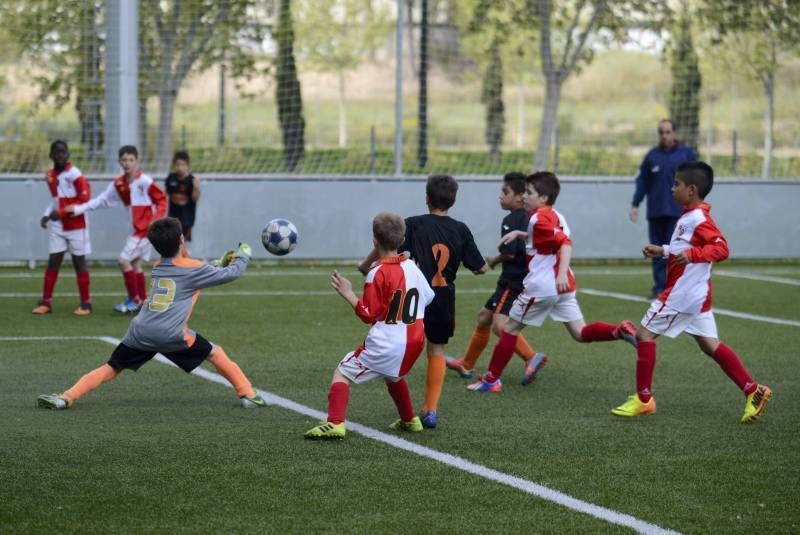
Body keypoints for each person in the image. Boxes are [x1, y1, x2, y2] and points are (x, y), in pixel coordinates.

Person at [36, 217, 266, 410]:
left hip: (140, 331)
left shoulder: (158, 266)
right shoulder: (192, 267)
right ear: (182, 240)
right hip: (171, 335)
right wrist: (243, 255)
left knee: (111, 368)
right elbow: (228, 274)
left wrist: (218, 264)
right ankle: (248, 394)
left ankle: (66, 397)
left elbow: (191, 274)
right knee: (215, 353)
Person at [612, 161, 772, 423]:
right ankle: (754, 391)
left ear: (692, 190)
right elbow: (685, 247)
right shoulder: (688, 216)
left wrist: (693, 254)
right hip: (696, 295)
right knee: (710, 345)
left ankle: (643, 400)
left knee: (643, 334)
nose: (672, 188)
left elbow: (721, 249)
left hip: (683, 294)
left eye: (677, 184)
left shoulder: (699, 218)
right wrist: (663, 250)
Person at [468, 171, 637, 394]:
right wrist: (521, 234)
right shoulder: (554, 214)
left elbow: (565, 243)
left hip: (544, 285)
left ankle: (492, 380)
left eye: (529, 193)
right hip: (563, 288)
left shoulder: (539, 218)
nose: (524, 197)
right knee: (580, 333)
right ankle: (618, 331)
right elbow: (546, 239)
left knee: (508, 329)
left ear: (543, 198)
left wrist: (560, 273)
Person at [359, 175, 488, 429]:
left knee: (400, 338)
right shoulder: (460, 229)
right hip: (443, 299)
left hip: (412, 295)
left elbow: (388, 244)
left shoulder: (414, 224)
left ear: (426, 198)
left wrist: (365, 265)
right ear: (454, 200)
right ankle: (430, 409)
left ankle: (391, 387)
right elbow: (481, 268)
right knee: (436, 349)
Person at [304, 213, 435, 440]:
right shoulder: (412, 267)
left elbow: (368, 314)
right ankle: (410, 420)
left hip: (387, 343)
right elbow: (429, 297)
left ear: (374, 241)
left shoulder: (377, 272)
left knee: (342, 372)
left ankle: (335, 423)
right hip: (414, 342)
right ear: (403, 240)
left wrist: (348, 293)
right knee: (392, 375)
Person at [445, 172, 546, 385]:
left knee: (501, 326)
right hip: (514, 279)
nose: (501, 196)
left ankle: (531, 357)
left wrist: (492, 261)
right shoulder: (529, 216)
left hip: (514, 281)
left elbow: (510, 253)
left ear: (519, 197)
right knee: (484, 317)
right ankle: (467, 364)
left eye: (505, 192)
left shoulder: (512, 218)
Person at [66, 145, 167, 314]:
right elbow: (101, 200)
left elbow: (162, 200)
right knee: (136, 265)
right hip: (136, 230)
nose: (127, 163)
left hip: (144, 232)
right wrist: (77, 209)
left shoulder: (145, 181)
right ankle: (142, 303)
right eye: (124, 160)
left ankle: (134, 301)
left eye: (131, 160)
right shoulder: (119, 184)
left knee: (123, 260)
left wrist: (156, 220)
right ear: (119, 161)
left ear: (137, 161)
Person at [630, 119, 697, 299]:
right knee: (657, 252)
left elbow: (697, 180)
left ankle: (678, 289)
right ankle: (660, 289)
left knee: (676, 251)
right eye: (661, 132)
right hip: (656, 212)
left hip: (679, 213)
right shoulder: (652, 156)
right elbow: (642, 181)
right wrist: (635, 204)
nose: (664, 135)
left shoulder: (686, 155)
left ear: (674, 133)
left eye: (668, 132)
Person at [32, 140, 93, 316]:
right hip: (58, 226)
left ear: (68, 155)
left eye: (63, 152)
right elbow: (56, 200)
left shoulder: (75, 174)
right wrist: (46, 213)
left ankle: (86, 303)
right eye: (56, 152)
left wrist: (61, 213)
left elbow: (84, 201)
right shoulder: (50, 175)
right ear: (51, 156)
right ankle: (46, 302)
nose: (60, 155)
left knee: (79, 263)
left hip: (77, 225)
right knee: (53, 261)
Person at [165, 150, 200, 244]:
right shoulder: (171, 178)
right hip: (173, 218)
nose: (180, 167)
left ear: (187, 165)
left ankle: (184, 258)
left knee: (181, 243)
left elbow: (195, 198)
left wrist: (196, 188)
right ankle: (178, 258)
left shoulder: (191, 180)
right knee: (173, 242)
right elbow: (166, 196)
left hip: (186, 219)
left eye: (182, 164)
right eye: (177, 164)